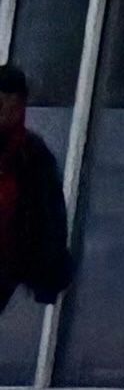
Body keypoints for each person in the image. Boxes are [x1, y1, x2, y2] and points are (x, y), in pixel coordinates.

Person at [0, 66, 65, 322]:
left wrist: (49, 268)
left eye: (13, 104)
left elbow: (50, 213)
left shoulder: (31, 154)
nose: (8, 111)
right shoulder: (30, 153)